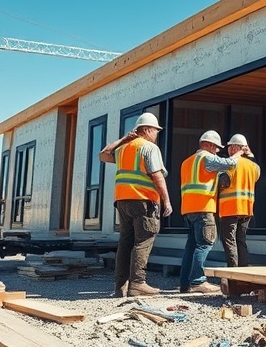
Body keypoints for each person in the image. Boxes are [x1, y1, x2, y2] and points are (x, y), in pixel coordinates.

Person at [99, 112, 172, 297]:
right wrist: (166, 200)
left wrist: (123, 139)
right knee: (144, 240)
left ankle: (120, 286)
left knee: (125, 242)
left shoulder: (123, 149)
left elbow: (103, 155)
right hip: (143, 201)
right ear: (146, 130)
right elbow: (157, 175)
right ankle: (138, 283)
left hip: (123, 201)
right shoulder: (149, 147)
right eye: (155, 130)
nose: (157, 134)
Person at [178, 130, 242, 293]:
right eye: (216, 148)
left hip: (188, 210)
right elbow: (230, 163)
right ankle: (198, 281)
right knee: (205, 244)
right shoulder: (206, 158)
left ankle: (185, 283)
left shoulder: (187, 161)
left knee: (191, 246)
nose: (217, 151)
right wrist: (240, 153)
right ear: (209, 145)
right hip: (203, 208)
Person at [218, 134, 260, 267]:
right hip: (246, 209)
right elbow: (256, 175)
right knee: (241, 240)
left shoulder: (230, 163)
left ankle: (233, 270)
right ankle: (243, 268)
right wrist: (250, 155)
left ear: (236, 147)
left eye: (231, 146)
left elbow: (223, 183)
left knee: (229, 240)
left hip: (231, 208)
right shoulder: (254, 166)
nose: (229, 149)